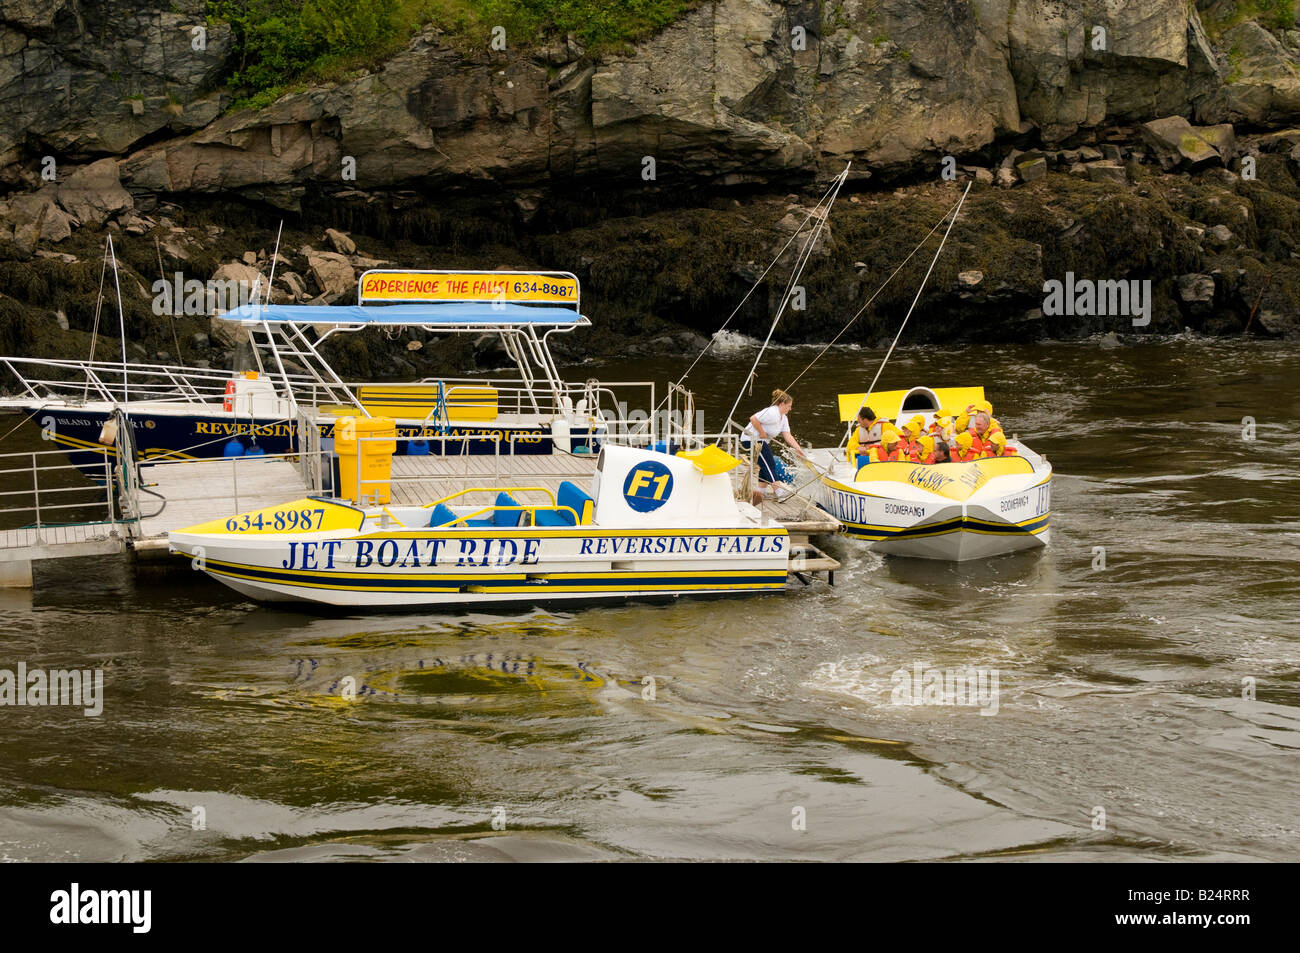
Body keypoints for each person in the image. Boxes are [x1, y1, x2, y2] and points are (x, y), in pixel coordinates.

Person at [742, 388, 807, 501]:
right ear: (782, 404)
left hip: (761, 442)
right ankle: (780, 493)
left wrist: (798, 449)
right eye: (789, 406)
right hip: (751, 440)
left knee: (765, 465)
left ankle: (760, 493)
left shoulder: (784, 418)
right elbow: (753, 419)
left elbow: (788, 436)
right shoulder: (772, 412)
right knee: (770, 464)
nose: (790, 408)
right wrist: (762, 433)